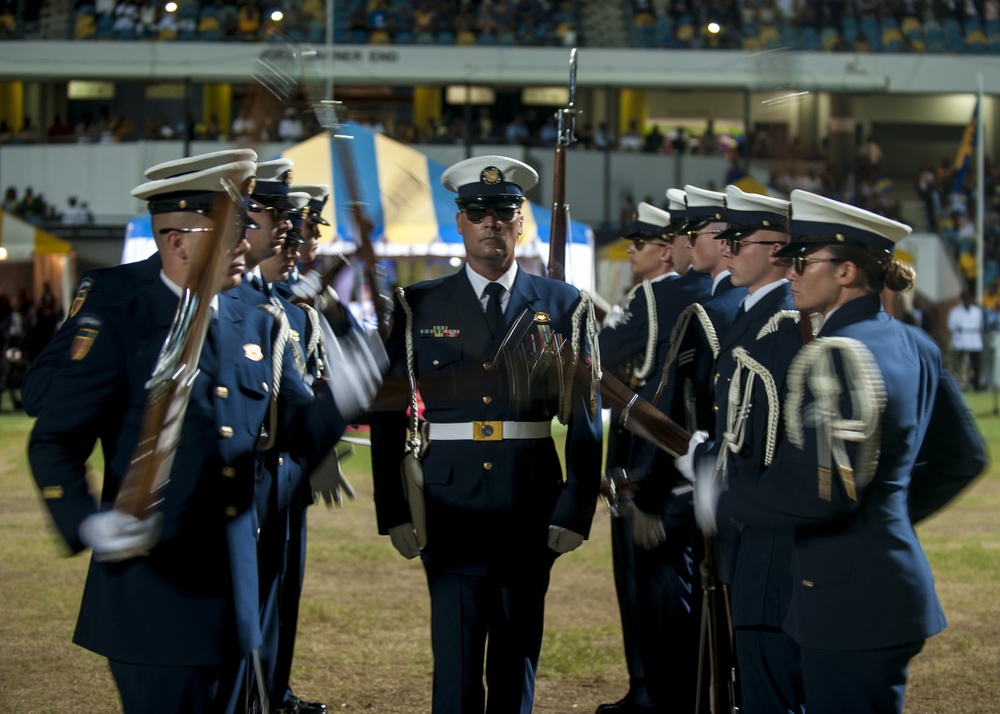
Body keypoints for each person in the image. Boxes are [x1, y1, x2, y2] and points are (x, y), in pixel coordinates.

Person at [696, 189, 986, 714]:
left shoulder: (836, 355)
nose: (792, 273)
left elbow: (818, 492)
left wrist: (718, 496)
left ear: (848, 272)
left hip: (847, 599)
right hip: (881, 584)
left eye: (804, 260)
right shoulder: (913, 342)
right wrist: (889, 514)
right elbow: (964, 456)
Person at [369, 155, 603, 714]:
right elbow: (389, 412)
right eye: (478, 212)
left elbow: (585, 419)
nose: (491, 223)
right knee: (454, 665)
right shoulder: (418, 304)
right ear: (460, 222)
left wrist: (576, 509)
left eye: (504, 211)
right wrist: (394, 508)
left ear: (523, 221)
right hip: (449, 506)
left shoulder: (563, 305)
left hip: (530, 501)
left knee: (516, 660)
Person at [682, 185, 806, 713]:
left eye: (739, 237)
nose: (726, 247)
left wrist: (706, 460)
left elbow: (764, 445)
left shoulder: (779, 328)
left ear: (778, 248)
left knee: (769, 692)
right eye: (725, 236)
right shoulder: (751, 317)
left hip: (771, 546)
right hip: (751, 539)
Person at [628, 185, 746, 714]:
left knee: (677, 626)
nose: (684, 240)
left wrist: (650, 496)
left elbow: (672, 411)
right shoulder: (767, 308)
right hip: (744, 495)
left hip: (687, 488)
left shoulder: (706, 311)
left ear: (723, 243)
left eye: (695, 232)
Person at [595, 199, 711, 714]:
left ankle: (648, 691)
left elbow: (602, 354)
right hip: (675, 464)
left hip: (647, 464)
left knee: (646, 591)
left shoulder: (655, 298)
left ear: (666, 251)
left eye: (638, 244)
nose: (630, 251)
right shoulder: (694, 292)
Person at [947, 291, 984, 391]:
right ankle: (960, 385)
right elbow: (951, 326)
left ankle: (977, 385)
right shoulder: (955, 312)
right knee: (959, 365)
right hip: (961, 341)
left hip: (974, 341)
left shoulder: (977, 311)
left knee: (976, 365)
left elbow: (980, 326)